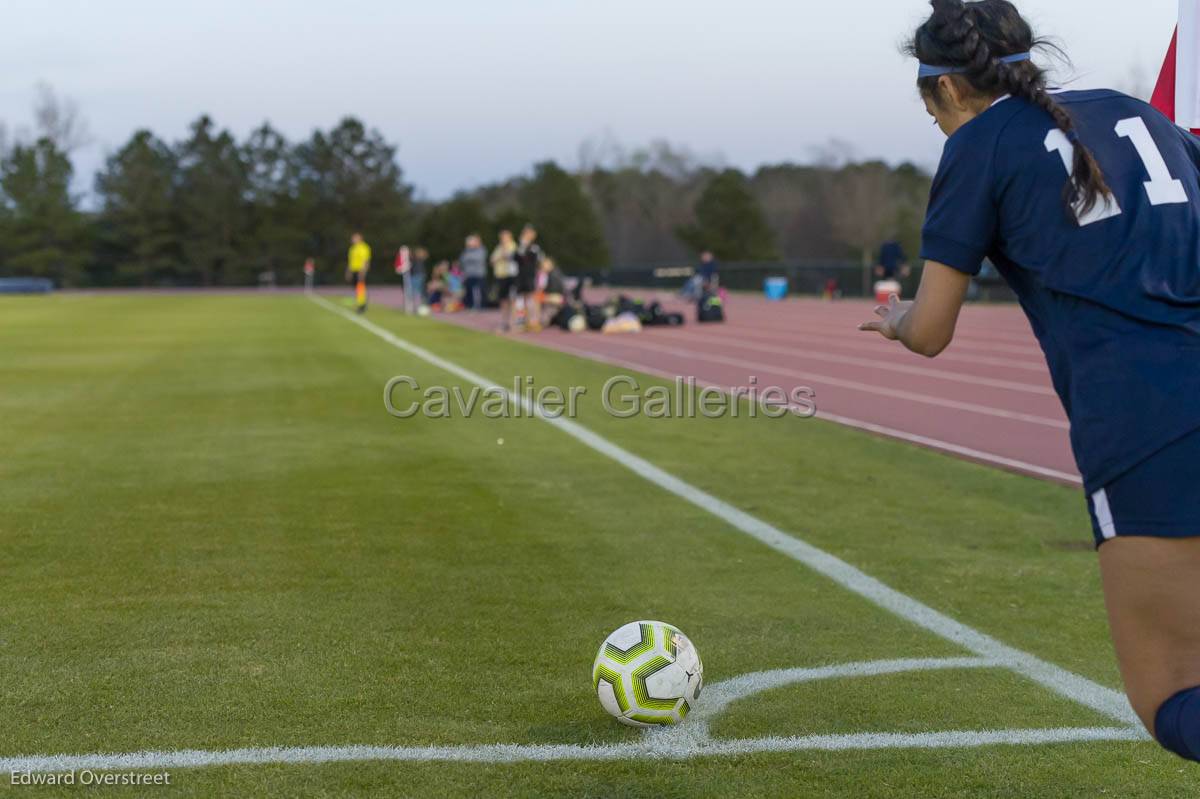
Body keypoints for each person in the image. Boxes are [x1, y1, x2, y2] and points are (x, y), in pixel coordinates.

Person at [859, 0, 1200, 763]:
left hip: (1150, 421)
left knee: (1173, 694)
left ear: (945, 89)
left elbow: (933, 330)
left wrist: (896, 318)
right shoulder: (1133, 111)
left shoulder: (978, 143)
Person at [514, 224, 544, 332]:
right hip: (520, 276)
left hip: (530, 276)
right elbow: (517, 258)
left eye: (529, 233)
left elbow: (532, 260)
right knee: (522, 299)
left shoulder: (535, 247)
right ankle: (525, 321)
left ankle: (535, 321)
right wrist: (522, 245)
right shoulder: (519, 246)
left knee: (532, 299)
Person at [490, 230, 518, 331]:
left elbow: (509, 257)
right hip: (501, 276)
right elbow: (492, 260)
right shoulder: (498, 247)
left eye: (504, 237)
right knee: (503, 300)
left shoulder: (513, 246)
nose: (502, 239)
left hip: (511, 276)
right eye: (501, 237)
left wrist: (501, 255)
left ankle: (512, 323)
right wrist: (500, 256)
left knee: (512, 300)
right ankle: (504, 322)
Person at [459, 234, 488, 310]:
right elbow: (462, 260)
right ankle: (469, 306)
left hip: (479, 274)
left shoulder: (482, 249)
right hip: (468, 274)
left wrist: (469, 259)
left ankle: (482, 306)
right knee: (469, 291)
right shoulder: (466, 251)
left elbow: (479, 259)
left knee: (480, 291)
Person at [537, 257, 566, 327]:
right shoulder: (547, 274)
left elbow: (554, 290)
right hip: (553, 297)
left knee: (540, 301)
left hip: (556, 298)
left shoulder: (553, 275)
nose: (543, 266)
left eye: (545, 264)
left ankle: (542, 320)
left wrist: (545, 296)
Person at [346, 232, 371, 314]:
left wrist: (363, 271)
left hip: (360, 271)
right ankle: (361, 303)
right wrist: (348, 271)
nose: (353, 240)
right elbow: (350, 261)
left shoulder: (364, 247)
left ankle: (361, 305)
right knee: (357, 288)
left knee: (360, 288)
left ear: (360, 238)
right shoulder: (352, 248)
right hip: (354, 270)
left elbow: (366, 260)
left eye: (355, 238)